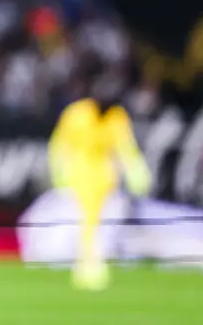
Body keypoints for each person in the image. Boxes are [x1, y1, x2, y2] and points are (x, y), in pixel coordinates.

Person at [48, 72, 151, 290]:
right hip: (80, 174)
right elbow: (59, 144)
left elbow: (126, 148)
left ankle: (93, 262)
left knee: (101, 221)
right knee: (85, 220)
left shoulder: (117, 116)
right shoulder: (77, 113)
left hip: (105, 175)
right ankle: (86, 265)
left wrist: (136, 172)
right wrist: (59, 171)